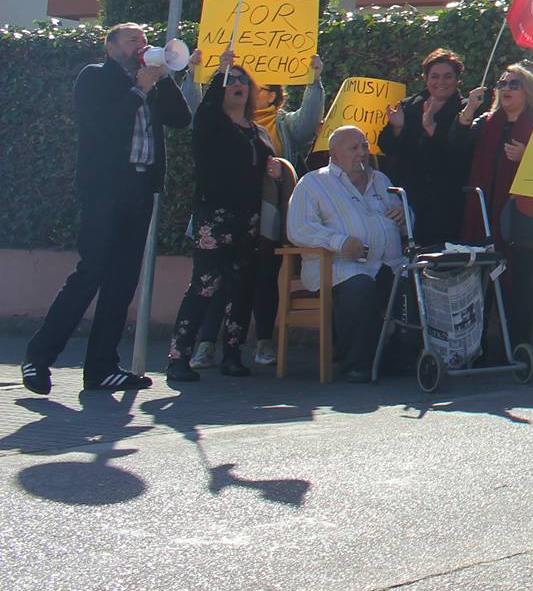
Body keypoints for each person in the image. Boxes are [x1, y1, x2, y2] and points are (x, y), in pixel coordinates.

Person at [21, 24, 194, 395]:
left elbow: (182, 120)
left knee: (122, 281)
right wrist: (140, 89)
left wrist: (163, 80)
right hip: (104, 189)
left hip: (141, 188)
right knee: (92, 271)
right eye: (132, 40)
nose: (141, 46)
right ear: (111, 46)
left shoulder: (151, 82)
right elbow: (103, 125)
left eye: (144, 41)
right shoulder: (95, 78)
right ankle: (38, 357)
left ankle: (102, 367)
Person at [191, 58, 324, 371]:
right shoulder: (217, 121)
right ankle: (206, 344)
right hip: (219, 213)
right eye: (241, 84)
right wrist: (198, 75)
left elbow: (308, 122)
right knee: (216, 281)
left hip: (265, 216)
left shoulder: (279, 126)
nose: (246, 89)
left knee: (263, 278)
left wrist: (315, 81)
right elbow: (198, 111)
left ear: (274, 95)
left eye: (257, 87)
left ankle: (262, 343)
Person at [166, 55, 292, 382]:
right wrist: (221, 69)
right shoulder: (211, 123)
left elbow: (265, 165)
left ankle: (232, 355)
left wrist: (275, 168)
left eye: (242, 81)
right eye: (230, 81)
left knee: (242, 287)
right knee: (204, 285)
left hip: (249, 219)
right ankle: (179, 357)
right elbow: (206, 106)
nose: (237, 85)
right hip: (215, 216)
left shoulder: (258, 131)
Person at [285, 125, 406, 382]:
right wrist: (339, 242)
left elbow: (406, 216)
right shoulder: (314, 183)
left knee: (414, 283)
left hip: (386, 264)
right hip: (337, 269)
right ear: (334, 155)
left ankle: (397, 358)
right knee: (360, 287)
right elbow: (298, 228)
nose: (362, 153)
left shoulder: (381, 180)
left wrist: (404, 216)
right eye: (354, 148)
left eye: (364, 146)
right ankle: (357, 364)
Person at [458, 62, 533, 351]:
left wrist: (528, 156)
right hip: (482, 218)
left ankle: (520, 347)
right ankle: (478, 348)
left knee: (519, 287)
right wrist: (468, 111)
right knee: (479, 286)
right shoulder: (485, 123)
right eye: (502, 84)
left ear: (528, 90)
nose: (506, 89)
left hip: (522, 222)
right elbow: (454, 148)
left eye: (514, 84)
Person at [379, 48, 475, 253]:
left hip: (448, 201)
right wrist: (396, 128)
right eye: (435, 76)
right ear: (425, 78)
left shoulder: (467, 109)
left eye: (448, 76)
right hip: (411, 200)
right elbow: (387, 148)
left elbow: (460, 154)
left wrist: (432, 128)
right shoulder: (408, 106)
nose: (441, 81)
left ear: (457, 79)